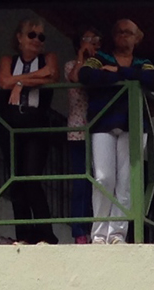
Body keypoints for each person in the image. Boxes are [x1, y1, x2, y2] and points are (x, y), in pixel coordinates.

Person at [78, 20, 154, 244]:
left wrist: (117, 72)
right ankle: (99, 233)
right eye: (120, 32)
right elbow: (86, 75)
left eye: (129, 33)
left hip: (132, 125)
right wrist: (126, 75)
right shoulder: (99, 58)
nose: (124, 36)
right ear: (113, 37)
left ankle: (116, 234)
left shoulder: (144, 62)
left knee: (126, 180)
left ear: (137, 38)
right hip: (102, 122)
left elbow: (153, 80)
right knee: (103, 177)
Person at [0, 19, 58, 245]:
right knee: (16, 180)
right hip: (12, 124)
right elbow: (4, 81)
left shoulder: (48, 58)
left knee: (32, 177)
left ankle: (45, 233)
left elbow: (51, 73)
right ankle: (23, 234)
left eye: (41, 37)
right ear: (19, 38)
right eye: (32, 35)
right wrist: (31, 79)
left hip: (37, 123)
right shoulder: (8, 60)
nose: (37, 40)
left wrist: (20, 83)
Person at [62, 25, 100, 243]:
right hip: (78, 130)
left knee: (100, 181)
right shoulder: (71, 65)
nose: (94, 43)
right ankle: (79, 231)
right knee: (80, 182)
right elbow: (75, 77)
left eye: (97, 39)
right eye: (89, 38)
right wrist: (81, 57)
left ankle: (98, 228)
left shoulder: (102, 65)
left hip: (99, 129)